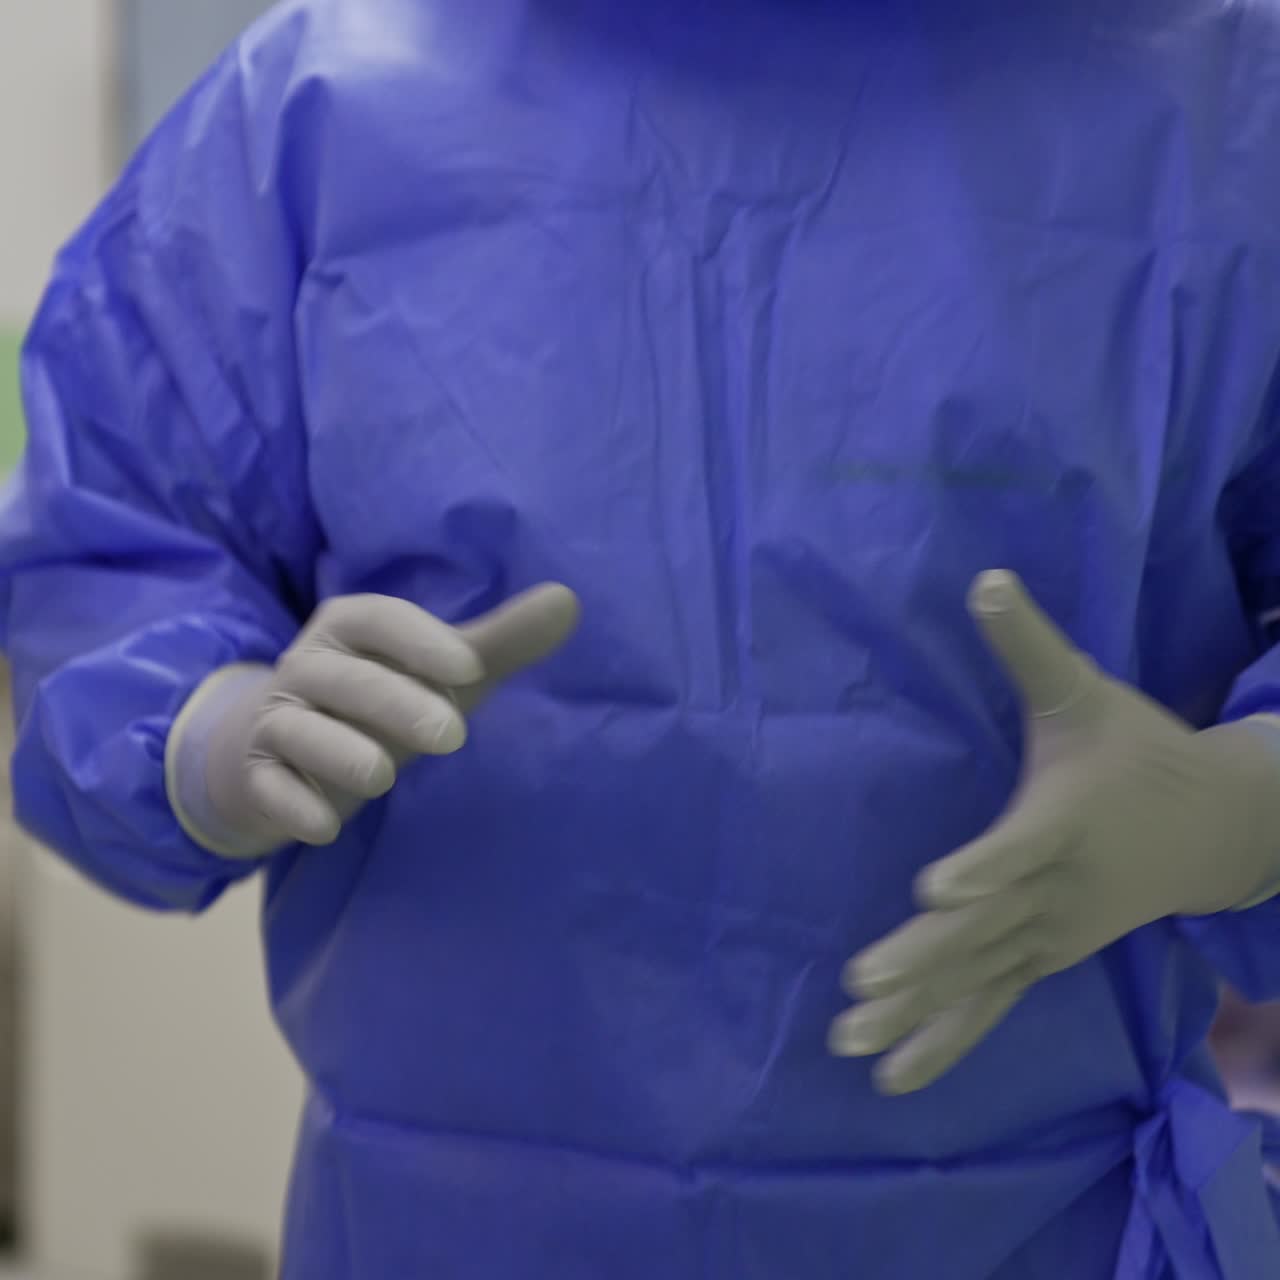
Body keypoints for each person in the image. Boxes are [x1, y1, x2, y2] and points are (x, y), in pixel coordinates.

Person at [4, 0, 1280, 1274]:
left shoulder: (1221, 109)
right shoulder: (324, 105)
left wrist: (1235, 807)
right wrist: (212, 731)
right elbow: (118, 552)